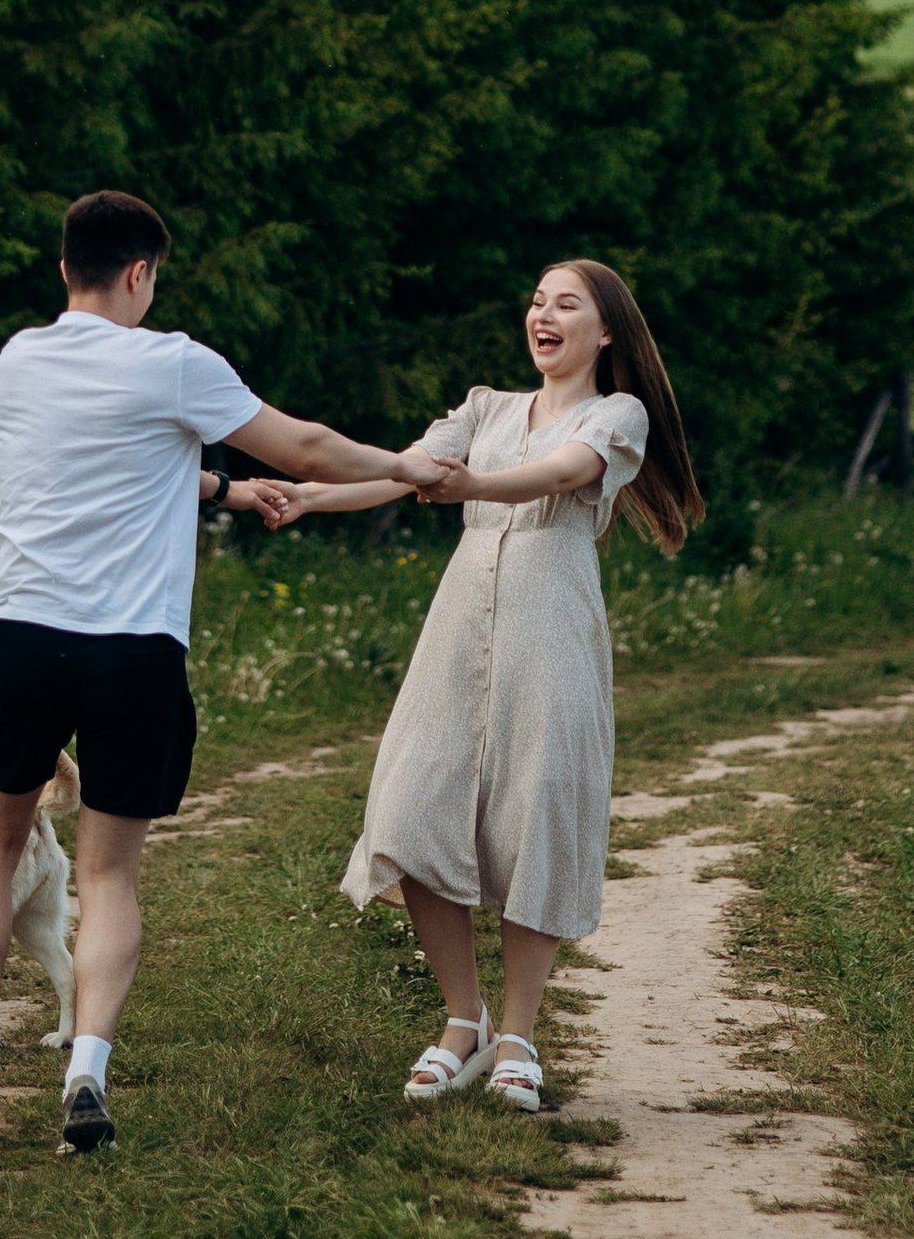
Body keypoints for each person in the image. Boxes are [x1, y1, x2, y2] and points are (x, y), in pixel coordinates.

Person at [0, 186, 454, 1151]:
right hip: (133, 653)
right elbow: (311, 447)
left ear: (63, 269)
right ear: (140, 273)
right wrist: (411, 467)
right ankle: (86, 1071)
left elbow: (97, 460)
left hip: (24, 638)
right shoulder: (174, 363)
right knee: (108, 872)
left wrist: (222, 491)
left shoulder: (15, 363)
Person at [279, 257, 701, 1112]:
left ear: (606, 330)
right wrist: (309, 498)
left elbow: (558, 475)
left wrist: (473, 485)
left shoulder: (617, 414)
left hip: (553, 631)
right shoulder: (484, 408)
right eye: (537, 302)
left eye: (567, 304)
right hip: (459, 627)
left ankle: (517, 1035)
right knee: (411, 807)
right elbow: (404, 468)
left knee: (536, 815)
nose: (543, 315)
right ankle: (461, 1022)